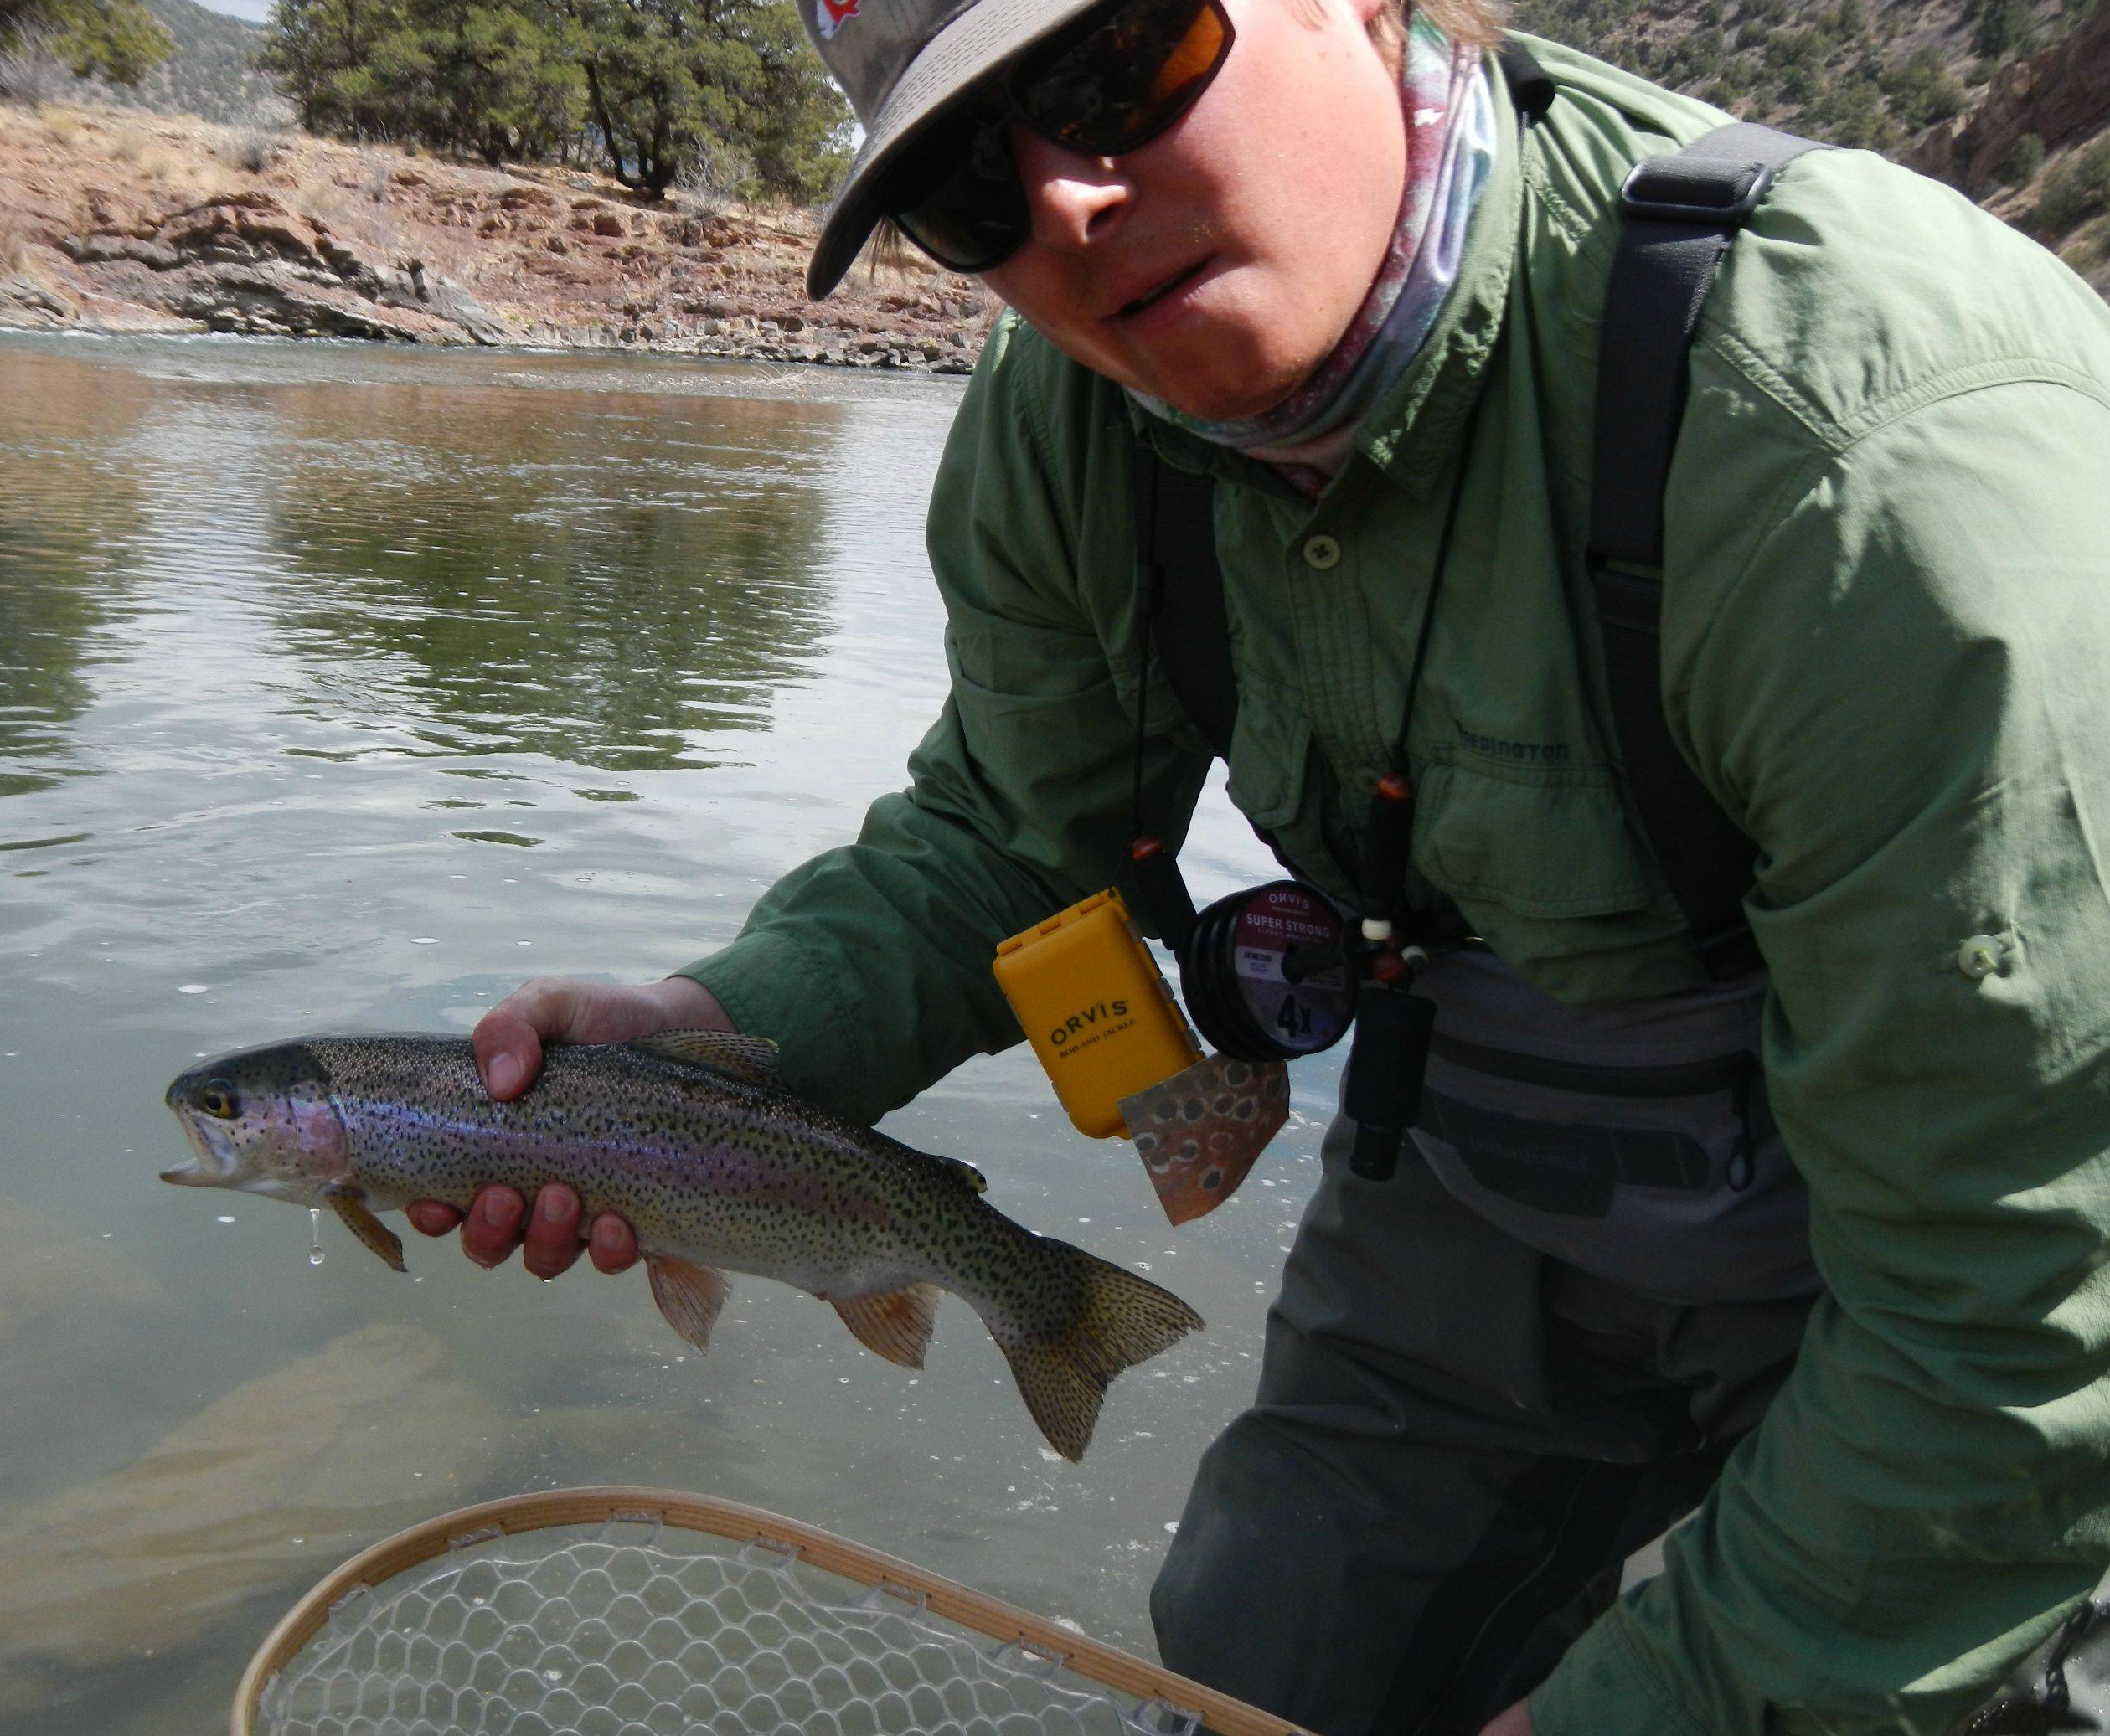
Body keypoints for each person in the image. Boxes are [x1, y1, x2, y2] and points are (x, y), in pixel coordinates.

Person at [405, 0, 2110, 1726]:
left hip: (1971, 1186)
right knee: (1264, 1654)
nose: (1064, 202)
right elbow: (1008, 832)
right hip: (1485, 1125)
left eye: (1117, 69)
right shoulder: (1073, 406)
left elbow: (2012, 1324)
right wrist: (709, 1031)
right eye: (963, 188)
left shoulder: (1867, 457)